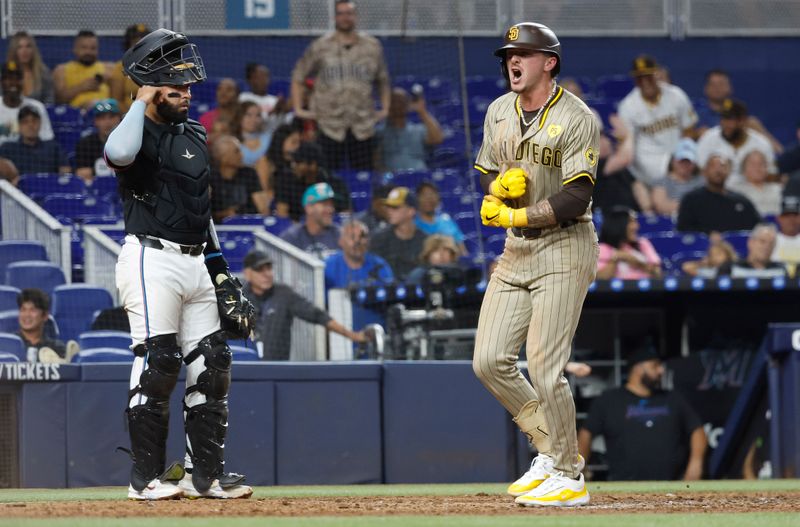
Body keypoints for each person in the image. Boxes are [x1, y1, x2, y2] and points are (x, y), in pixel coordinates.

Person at [103, 28, 255, 501]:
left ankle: (204, 476)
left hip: (195, 261)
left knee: (213, 361)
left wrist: (220, 266)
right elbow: (118, 153)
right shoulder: (134, 127)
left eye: (188, 88)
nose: (186, 94)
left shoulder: (194, 132)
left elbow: (199, 208)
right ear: (149, 88)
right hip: (151, 258)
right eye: (174, 88)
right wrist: (139, 100)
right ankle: (144, 479)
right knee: (159, 362)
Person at [471, 22, 599, 507]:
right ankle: (550, 447)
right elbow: (489, 172)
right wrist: (495, 191)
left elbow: (577, 195)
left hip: (565, 245)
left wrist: (516, 211)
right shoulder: (499, 110)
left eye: (523, 54)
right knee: (488, 361)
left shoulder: (577, 116)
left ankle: (569, 475)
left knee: (545, 366)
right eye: (508, 55)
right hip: (516, 250)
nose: (513, 62)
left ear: (549, 62)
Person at [578, 341, 707, 481]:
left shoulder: (673, 398)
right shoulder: (608, 400)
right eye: (655, 366)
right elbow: (586, 434)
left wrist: (696, 464)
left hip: (671, 485)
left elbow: (697, 430)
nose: (661, 370)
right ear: (638, 368)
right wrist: (580, 469)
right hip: (623, 486)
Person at [290, 0, 390, 170]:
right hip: (329, 123)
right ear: (335, 17)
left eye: (349, 13)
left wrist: (385, 108)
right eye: (341, 13)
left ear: (356, 16)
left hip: (362, 123)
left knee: (364, 173)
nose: (345, 18)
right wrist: (299, 109)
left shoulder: (372, 46)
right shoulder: (320, 46)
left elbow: (383, 80)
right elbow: (298, 76)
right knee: (328, 174)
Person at [242, 250, 365, 360]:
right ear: (248, 273)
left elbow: (317, 315)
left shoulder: (283, 294)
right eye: (260, 270)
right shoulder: (237, 299)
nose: (267, 274)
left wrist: (352, 335)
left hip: (278, 371)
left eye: (269, 268)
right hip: (247, 370)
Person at [617, 55, 697, 188]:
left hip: (677, 158)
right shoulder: (627, 106)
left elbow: (688, 130)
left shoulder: (676, 95)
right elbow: (626, 146)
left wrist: (683, 158)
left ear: (656, 74)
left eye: (648, 76)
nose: (645, 82)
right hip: (648, 164)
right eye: (639, 78)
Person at [324, 220, 393, 329]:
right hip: (340, 331)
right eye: (352, 237)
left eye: (362, 237)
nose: (358, 241)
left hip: (376, 330)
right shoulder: (328, 267)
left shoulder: (380, 266)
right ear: (341, 241)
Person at [696, 99, 776, 187]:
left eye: (730, 120)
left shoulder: (761, 143)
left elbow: (772, 175)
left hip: (751, 194)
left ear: (743, 121)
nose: (725, 124)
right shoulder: (708, 139)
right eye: (723, 118)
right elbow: (699, 172)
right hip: (718, 192)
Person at [677, 152, 761, 233]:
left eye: (723, 166)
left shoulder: (741, 201)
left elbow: (758, 226)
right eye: (713, 166)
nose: (718, 170)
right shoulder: (691, 200)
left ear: (729, 172)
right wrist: (707, 236)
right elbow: (683, 230)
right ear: (704, 171)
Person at [274, 141, 351, 221]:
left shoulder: (334, 184)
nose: (293, 165)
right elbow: (282, 215)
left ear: (313, 165)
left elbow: (346, 214)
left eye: (298, 162)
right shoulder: (286, 182)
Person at [376, 87, 443, 171]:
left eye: (401, 102)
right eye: (394, 102)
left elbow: (437, 139)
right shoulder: (380, 132)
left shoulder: (418, 129)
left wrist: (422, 111)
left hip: (418, 177)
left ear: (407, 105)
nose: (397, 105)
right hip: (393, 180)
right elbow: (376, 161)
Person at [369, 186, 428, 281]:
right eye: (388, 207)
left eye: (395, 207)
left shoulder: (425, 241)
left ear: (411, 211)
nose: (389, 211)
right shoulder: (378, 239)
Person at [209, 135, 268, 221]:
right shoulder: (210, 177)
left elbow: (263, 209)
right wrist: (226, 214)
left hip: (248, 224)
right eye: (237, 151)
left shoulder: (249, 173)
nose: (242, 155)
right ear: (224, 158)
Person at [596, 207, 662, 280]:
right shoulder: (603, 248)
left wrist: (635, 262)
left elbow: (658, 274)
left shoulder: (643, 244)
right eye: (631, 222)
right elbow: (600, 278)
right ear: (618, 225)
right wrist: (616, 258)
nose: (636, 226)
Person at [0, 106, 69, 174]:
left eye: (34, 121)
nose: (30, 125)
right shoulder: (7, 148)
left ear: (40, 123)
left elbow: (65, 171)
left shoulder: (53, 148)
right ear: (19, 126)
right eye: (25, 122)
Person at [280, 182, 341, 259]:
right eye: (325, 204)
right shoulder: (292, 238)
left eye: (331, 205)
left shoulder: (339, 234)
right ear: (309, 208)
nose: (331, 209)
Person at [53, 30, 111, 109]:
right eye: (84, 48)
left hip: (106, 113)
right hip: (76, 115)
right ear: (75, 49)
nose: (88, 52)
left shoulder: (108, 69)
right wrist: (81, 87)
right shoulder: (61, 70)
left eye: (93, 48)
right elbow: (59, 100)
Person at [0, 61, 54, 144]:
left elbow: (46, 140)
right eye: (9, 78)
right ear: (1, 82)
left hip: (28, 155)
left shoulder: (36, 107)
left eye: (17, 78)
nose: (13, 83)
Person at [650, 138, 703, 216]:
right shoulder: (661, 181)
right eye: (681, 161)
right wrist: (691, 206)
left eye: (688, 161)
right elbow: (660, 206)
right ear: (673, 161)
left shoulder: (701, 182)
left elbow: (706, 205)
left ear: (694, 164)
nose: (684, 165)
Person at [75, 98, 122, 182]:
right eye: (102, 118)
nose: (107, 122)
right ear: (96, 121)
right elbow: (80, 173)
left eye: (111, 117)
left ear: (119, 119)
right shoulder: (86, 143)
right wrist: (102, 169)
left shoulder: (129, 142)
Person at [717, 224, 787, 278]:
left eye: (771, 243)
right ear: (751, 243)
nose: (767, 247)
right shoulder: (730, 268)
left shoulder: (780, 270)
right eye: (762, 241)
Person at [414, 181, 466, 254]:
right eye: (424, 195)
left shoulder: (447, 221)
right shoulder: (413, 224)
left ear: (438, 199)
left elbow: (462, 249)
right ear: (417, 199)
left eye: (432, 194)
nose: (428, 198)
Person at [16, 288, 67, 362]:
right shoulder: (8, 344)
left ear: (45, 316)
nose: (27, 315)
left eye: (32, 310)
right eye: (23, 310)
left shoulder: (57, 348)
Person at [726, 150, 782, 217]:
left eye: (761, 164)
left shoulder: (778, 189)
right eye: (753, 164)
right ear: (743, 169)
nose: (757, 168)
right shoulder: (735, 191)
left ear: (767, 168)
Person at [109, 24, 150, 114]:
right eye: (136, 43)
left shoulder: (158, 65)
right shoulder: (120, 67)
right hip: (129, 117)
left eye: (144, 43)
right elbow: (116, 102)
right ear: (128, 46)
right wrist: (133, 116)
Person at [5, 31, 54, 103]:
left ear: (33, 50)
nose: (24, 51)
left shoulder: (43, 73)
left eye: (28, 46)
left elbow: (49, 99)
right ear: (14, 51)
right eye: (20, 47)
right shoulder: (5, 74)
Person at [231, 100, 271, 186]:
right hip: (242, 183)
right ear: (240, 117)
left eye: (258, 115)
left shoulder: (269, 138)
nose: (254, 120)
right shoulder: (232, 141)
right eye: (248, 115)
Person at [263, 122, 302, 195]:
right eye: (293, 142)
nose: (298, 147)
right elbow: (264, 190)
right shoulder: (266, 161)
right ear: (281, 141)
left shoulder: (296, 163)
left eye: (299, 142)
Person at [772, 193, 800, 278]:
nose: (791, 220)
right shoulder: (770, 240)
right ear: (778, 218)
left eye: (795, 215)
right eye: (786, 215)